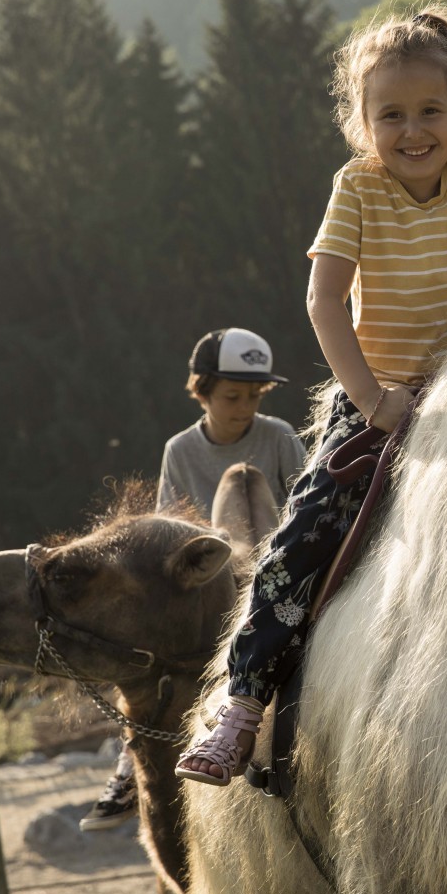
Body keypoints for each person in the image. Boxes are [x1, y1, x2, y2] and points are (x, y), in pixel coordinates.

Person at [174, 5, 447, 786]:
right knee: (305, 534)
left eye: (430, 111)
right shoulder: (357, 187)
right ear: (363, 121)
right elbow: (324, 303)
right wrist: (374, 400)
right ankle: (243, 705)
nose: (413, 131)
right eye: (392, 116)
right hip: (379, 392)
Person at [80, 326, 307, 830]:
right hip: (208, 582)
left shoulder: (279, 437)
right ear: (202, 392)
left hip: (274, 572)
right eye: (232, 396)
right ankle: (129, 767)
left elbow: (302, 503)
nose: (245, 407)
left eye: (255, 395)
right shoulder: (180, 451)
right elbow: (170, 532)